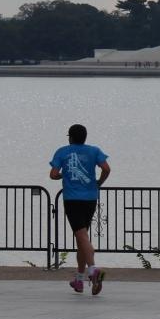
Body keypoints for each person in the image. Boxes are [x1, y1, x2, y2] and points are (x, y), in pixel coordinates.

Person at [49, 123, 111, 295]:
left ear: (70, 137)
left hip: (72, 199)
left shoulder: (62, 151)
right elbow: (106, 169)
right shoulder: (94, 151)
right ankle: (79, 279)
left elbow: (53, 174)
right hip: (90, 198)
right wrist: (99, 183)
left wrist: (63, 174)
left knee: (82, 237)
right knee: (82, 239)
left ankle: (93, 271)